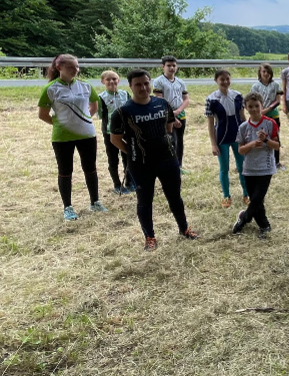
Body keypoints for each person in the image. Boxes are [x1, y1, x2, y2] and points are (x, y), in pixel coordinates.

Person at [110, 69, 199, 250]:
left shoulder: (162, 104)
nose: (143, 87)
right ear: (130, 86)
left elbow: (168, 126)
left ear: (151, 83)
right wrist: (133, 151)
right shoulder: (122, 112)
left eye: (146, 83)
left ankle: (184, 229)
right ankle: (149, 237)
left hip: (168, 159)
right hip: (140, 164)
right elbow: (115, 139)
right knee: (145, 200)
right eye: (138, 84)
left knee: (175, 197)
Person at [38, 54, 108, 221]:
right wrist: (61, 124)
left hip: (87, 135)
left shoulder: (85, 86)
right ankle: (68, 207)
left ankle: (95, 202)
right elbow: (43, 114)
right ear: (59, 68)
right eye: (71, 67)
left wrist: (83, 120)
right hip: (62, 138)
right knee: (65, 172)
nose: (75, 70)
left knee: (90, 168)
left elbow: (94, 106)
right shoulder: (51, 88)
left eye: (77, 67)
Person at [233, 92, 280, 238]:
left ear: (262, 105)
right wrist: (252, 144)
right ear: (246, 108)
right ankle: (264, 226)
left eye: (256, 106)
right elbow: (240, 150)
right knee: (256, 201)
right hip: (249, 169)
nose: (254, 109)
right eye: (250, 107)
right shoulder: (243, 127)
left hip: (265, 168)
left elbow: (277, 146)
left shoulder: (270, 123)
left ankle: (244, 218)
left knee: (258, 198)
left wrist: (266, 140)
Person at [205, 69, 248, 207]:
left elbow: (242, 117)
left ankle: (246, 194)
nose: (225, 82)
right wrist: (213, 144)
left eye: (227, 79)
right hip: (221, 138)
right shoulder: (211, 99)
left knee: (242, 167)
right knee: (224, 168)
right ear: (216, 81)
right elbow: (211, 125)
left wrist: (247, 136)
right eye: (222, 79)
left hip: (238, 137)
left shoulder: (238, 96)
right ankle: (226, 196)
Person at [98, 70, 133, 194]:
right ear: (103, 82)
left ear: (118, 80)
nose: (111, 81)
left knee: (128, 155)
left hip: (126, 131)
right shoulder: (101, 97)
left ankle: (129, 181)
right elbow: (100, 115)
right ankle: (117, 184)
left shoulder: (125, 94)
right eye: (108, 79)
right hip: (110, 132)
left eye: (114, 79)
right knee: (113, 159)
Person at [152, 55, 189, 170]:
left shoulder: (180, 82)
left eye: (174, 65)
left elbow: (186, 99)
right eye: (169, 65)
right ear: (163, 66)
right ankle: (170, 165)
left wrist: (178, 111)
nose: (172, 68)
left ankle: (179, 165)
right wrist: (172, 116)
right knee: (170, 140)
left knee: (180, 140)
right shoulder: (158, 82)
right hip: (166, 115)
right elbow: (160, 99)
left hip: (180, 114)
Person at [251, 62, 285, 170]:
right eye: (263, 71)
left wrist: (267, 110)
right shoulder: (255, 86)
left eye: (268, 71)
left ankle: (277, 162)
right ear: (260, 73)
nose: (266, 74)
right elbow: (253, 100)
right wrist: (260, 111)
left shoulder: (276, 85)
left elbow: (278, 100)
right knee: (260, 137)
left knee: (275, 138)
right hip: (260, 115)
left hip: (273, 115)